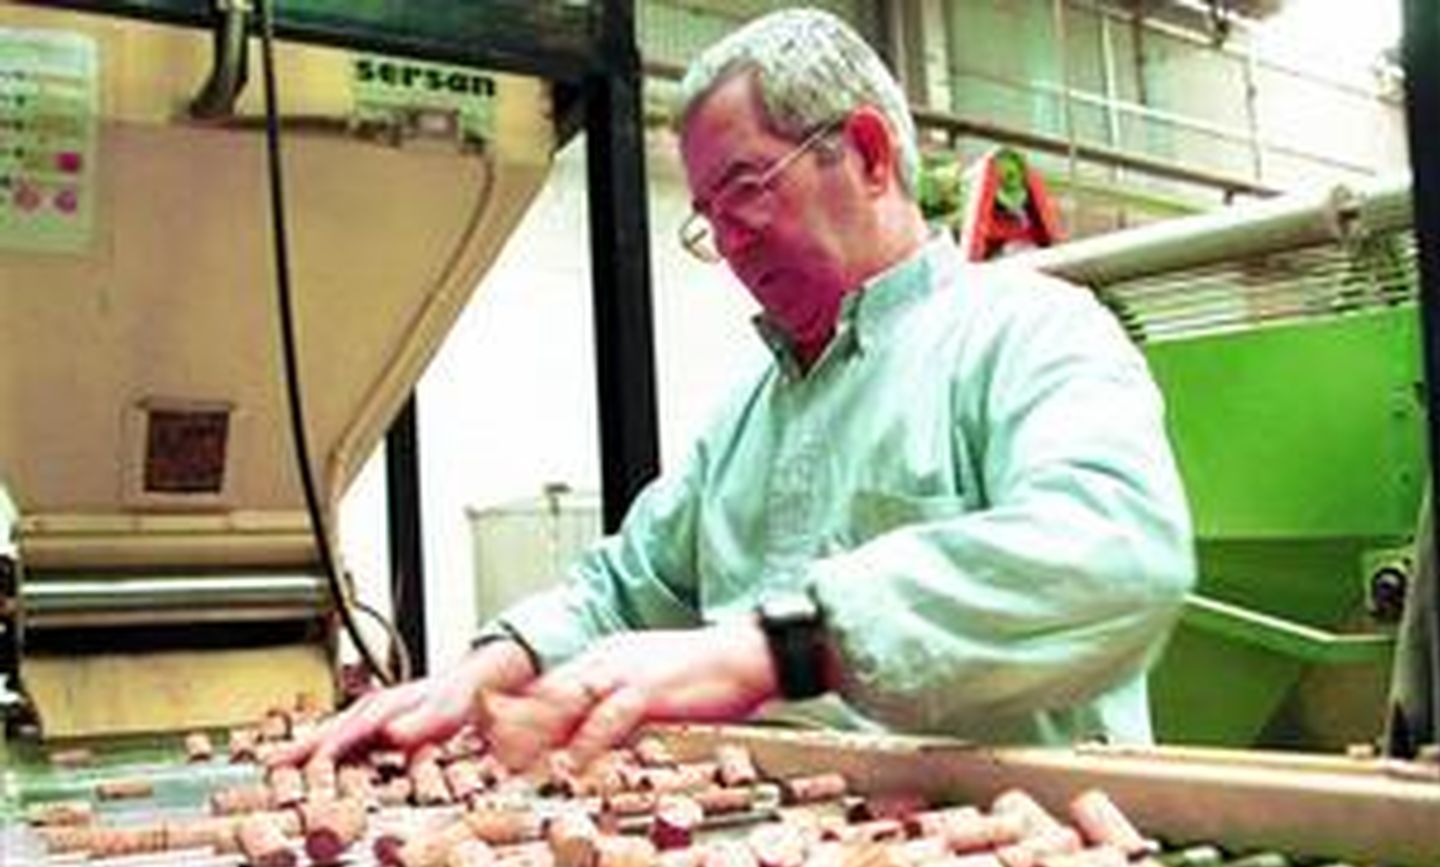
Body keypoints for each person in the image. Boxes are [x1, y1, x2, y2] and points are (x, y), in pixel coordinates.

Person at [278, 7, 1193, 773]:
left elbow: (1117, 551)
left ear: (869, 154)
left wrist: (778, 647)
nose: (731, 241)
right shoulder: (749, 417)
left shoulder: (1029, 333)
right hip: (793, 851)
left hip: (1024, 863)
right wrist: (483, 667)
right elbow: (623, 588)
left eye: (747, 188)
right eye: (708, 217)